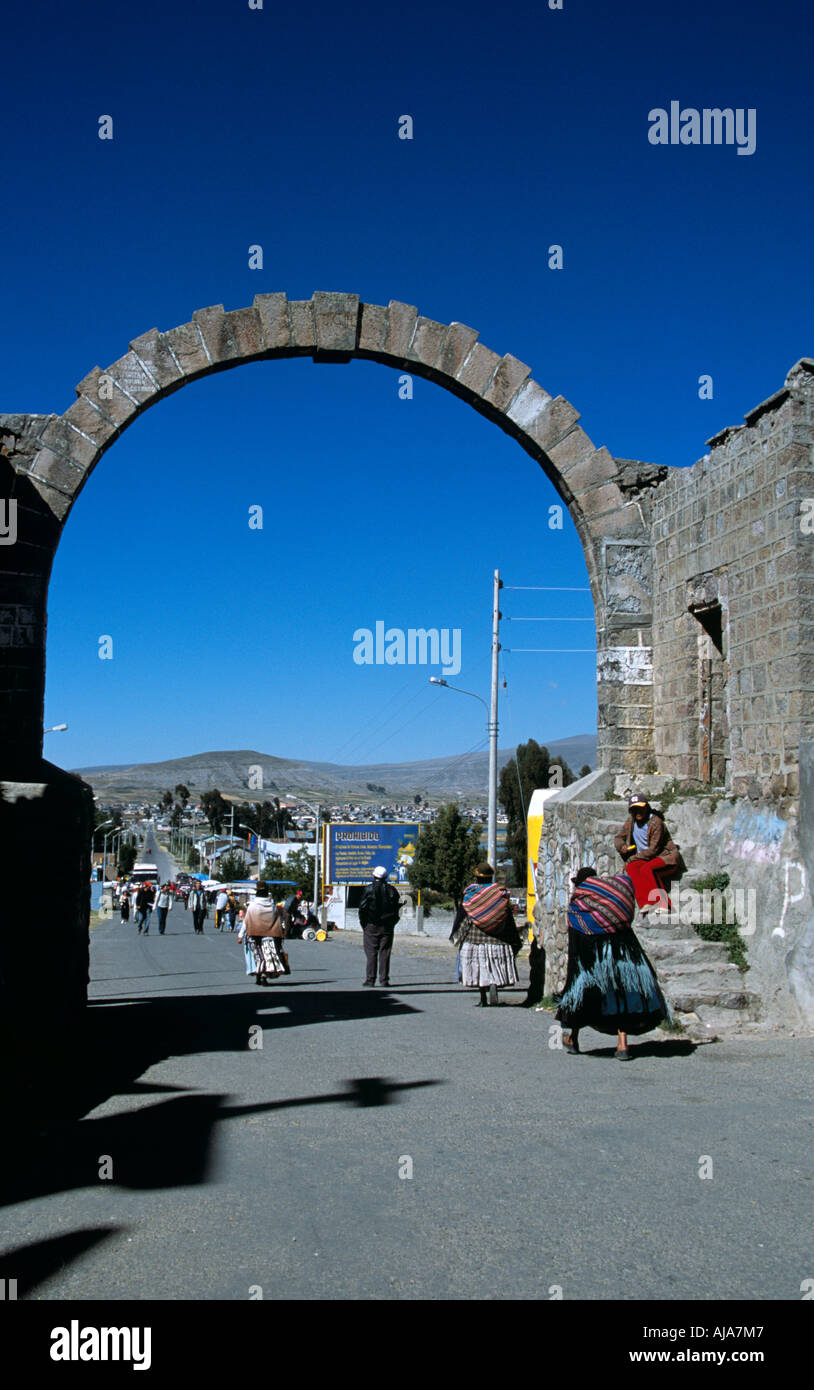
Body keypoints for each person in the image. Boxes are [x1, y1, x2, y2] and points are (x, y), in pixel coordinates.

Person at [557, 866, 669, 1060]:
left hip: (593, 963)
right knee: (622, 996)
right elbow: (627, 928)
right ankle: (622, 1044)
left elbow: (575, 946)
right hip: (624, 958)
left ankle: (573, 1038)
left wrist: (576, 974)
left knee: (581, 995)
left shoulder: (578, 907)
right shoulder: (615, 903)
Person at [451, 862, 520, 1006]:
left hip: (475, 937)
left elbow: (462, 913)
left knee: (478, 966)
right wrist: (513, 937)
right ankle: (494, 985)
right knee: (494, 964)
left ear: (477, 877)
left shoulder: (470, 893)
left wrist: (456, 930)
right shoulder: (500, 893)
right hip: (497, 936)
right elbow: (507, 915)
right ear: (491, 877)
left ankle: (482, 996)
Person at [614, 792, 680, 913]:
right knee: (632, 867)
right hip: (644, 858)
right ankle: (644, 903)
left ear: (646, 807)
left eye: (641, 808)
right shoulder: (631, 822)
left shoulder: (656, 823)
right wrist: (621, 846)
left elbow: (653, 850)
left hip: (665, 857)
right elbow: (618, 838)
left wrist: (631, 858)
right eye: (634, 809)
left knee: (646, 868)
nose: (638, 812)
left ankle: (664, 904)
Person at [358, 866, 401, 986]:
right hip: (387, 926)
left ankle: (370, 980)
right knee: (385, 952)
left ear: (373, 876)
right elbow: (398, 909)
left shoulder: (369, 889)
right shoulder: (392, 890)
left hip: (371, 925)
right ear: (386, 877)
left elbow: (362, 908)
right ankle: (384, 980)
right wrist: (392, 923)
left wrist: (364, 924)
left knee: (371, 952)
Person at [242, 881, 286, 985]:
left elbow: (246, 922)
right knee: (267, 955)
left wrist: (240, 935)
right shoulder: (272, 906)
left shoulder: (252, 906)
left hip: (254, 935)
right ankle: (263, 975)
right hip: (270, 935)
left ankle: (259, 975)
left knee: (258, 956)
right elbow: (277, 921)